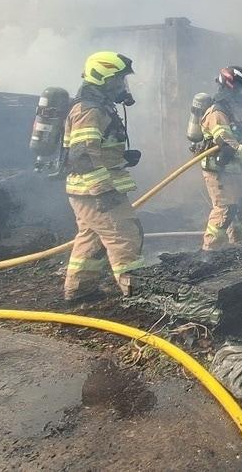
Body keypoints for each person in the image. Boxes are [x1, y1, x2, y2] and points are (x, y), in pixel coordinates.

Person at [61, 51, 145, 301]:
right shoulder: (88, 109)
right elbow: (83, 154)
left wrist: (120, 157)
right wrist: (103, 190)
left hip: (84, 190)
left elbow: (96, 147)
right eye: (117, 80)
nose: (122, 85)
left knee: (90, 240)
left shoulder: (98, 106)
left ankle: (78, 291)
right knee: (125, 237)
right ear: (102, 78)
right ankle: (137, 295)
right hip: (95, 190)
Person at [198, 66, 242, 251]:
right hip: (217, 168)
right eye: (241, 87)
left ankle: (239, 246)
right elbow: (225, 141)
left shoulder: (239, 109)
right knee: (225, 210)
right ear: (230, 86)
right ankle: (210, 251)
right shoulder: (217, 111)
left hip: (234, 166)